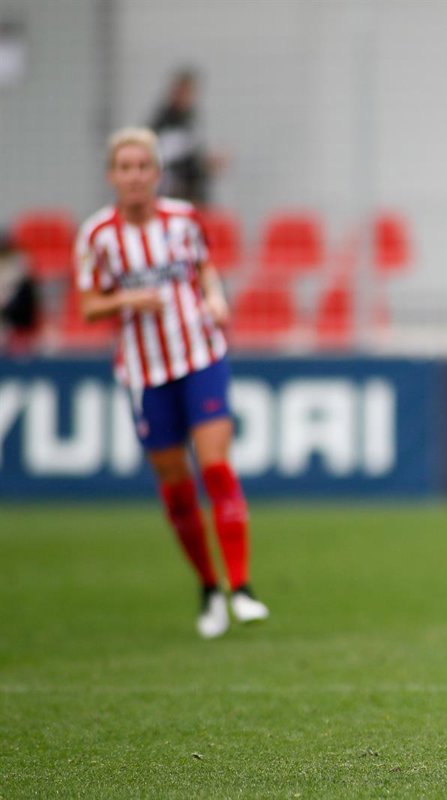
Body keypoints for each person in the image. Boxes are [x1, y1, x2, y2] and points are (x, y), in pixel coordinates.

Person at [75, 127, 268, 639]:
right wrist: (128, 300)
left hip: (200, 356)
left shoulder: (183, 220)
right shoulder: (98, 236)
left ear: (157, 173)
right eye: (125, 168)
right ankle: (208, 586)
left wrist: (216, 297)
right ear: (112, 176)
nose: (135, 176)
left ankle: (241, 586)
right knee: (177, 489)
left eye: (143, 166)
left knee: (216, 467)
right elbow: (89, 306)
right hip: (145, 372)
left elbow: (204, 270)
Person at [149, 68, 224, 206]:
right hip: (172, 196)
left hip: (192, 195)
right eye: (183, 92)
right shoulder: (163, 123)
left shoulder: (190, 120)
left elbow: (192, 157)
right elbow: (165, 160)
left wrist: (205, 165)